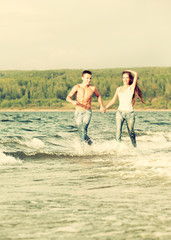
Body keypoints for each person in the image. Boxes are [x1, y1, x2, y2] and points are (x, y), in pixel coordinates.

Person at [106, 70, 144, 147]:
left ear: (130, 79)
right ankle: (118, 147)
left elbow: (136, 73)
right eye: (124, 78)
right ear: (122, 79)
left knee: (131, 132)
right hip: (119, 113)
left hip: (130, 114)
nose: (125, 79)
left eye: (127, 78)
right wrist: (105, 108)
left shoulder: (131, 88)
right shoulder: (118, 89)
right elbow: (113, 101)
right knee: (118, 131)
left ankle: (134, 147)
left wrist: (128, 71)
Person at [66, 70, 106, 145]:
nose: (89, 80)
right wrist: (72, 102)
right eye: (87, 78)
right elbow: (68, 97)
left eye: (90, 78)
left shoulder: (93, 88)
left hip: (87, 111)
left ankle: (82, 147)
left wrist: (101, 106)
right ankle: (90, 143)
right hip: (78, 112)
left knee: (84, 129)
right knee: (80, 131)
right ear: (82, 78)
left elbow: (98, 95)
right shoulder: (77, 87)